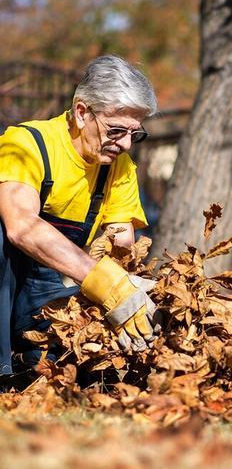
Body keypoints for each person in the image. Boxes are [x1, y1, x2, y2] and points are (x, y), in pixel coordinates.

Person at [0, 55, 159, 378]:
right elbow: (20, 227)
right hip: (5, 280)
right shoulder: (27, 144)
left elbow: (123, 241)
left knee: (77, 370)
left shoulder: (118, 167)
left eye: (134, 133)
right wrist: (105, 283)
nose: (126, 144)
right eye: (116, 130)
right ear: (82, 112)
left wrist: (132, 287)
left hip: (47, 291)